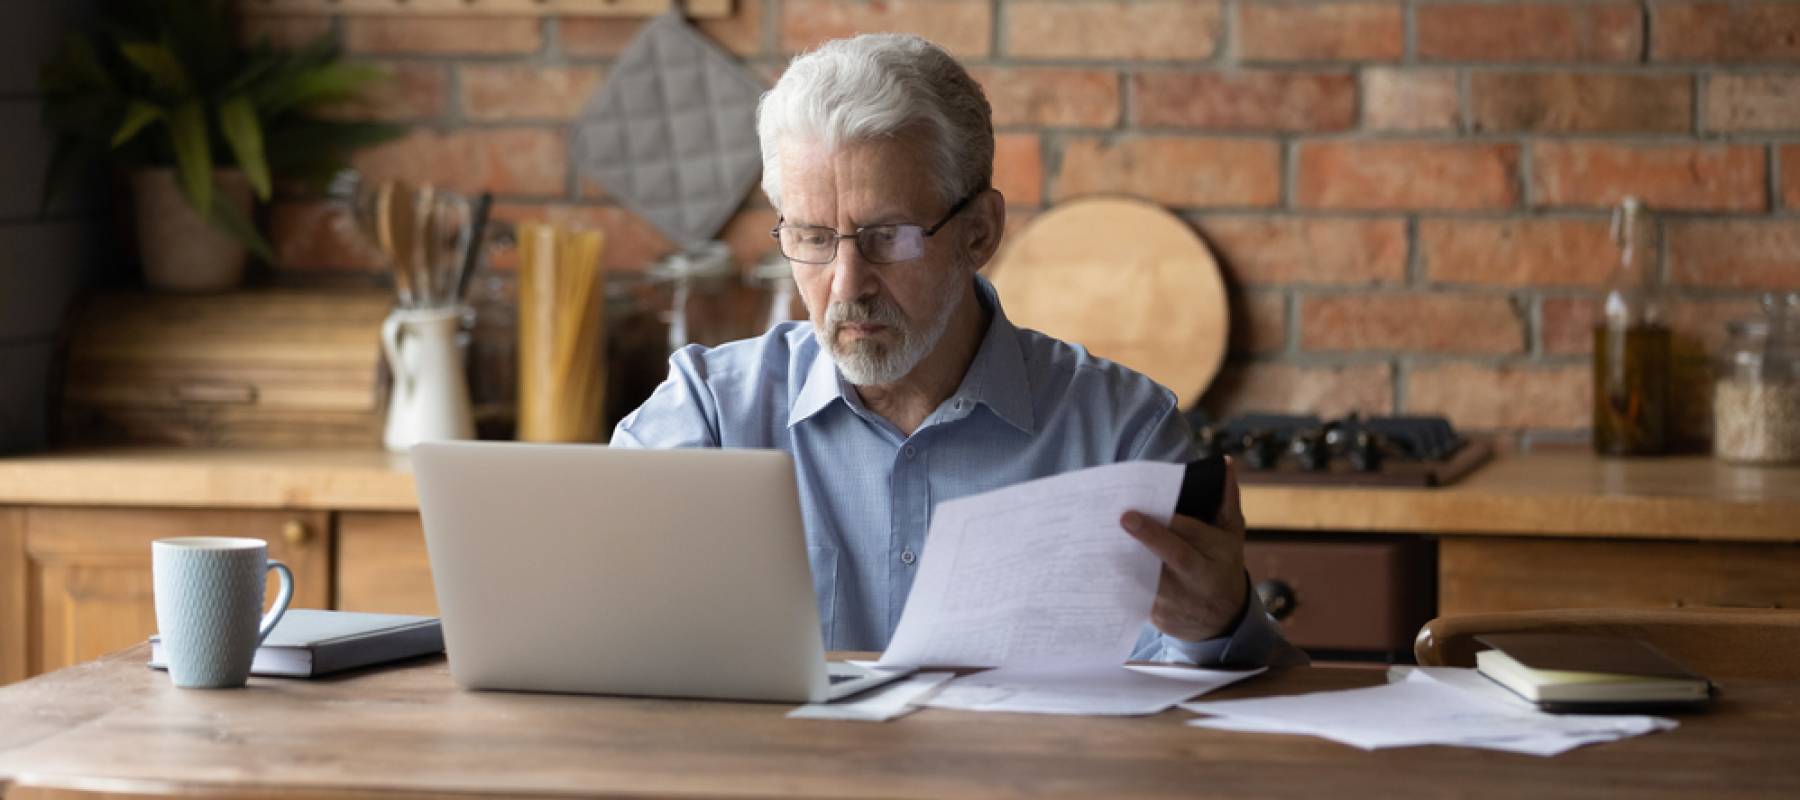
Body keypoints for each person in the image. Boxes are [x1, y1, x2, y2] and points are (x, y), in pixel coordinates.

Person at [612, 33, 1303, 667]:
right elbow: (599, 634)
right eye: (814, 238)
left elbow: (1223, 731)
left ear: (979, 232)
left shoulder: (1120, 433)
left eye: (890, 235)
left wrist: (1219, 625)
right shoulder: (708, 414)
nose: (848, 284)